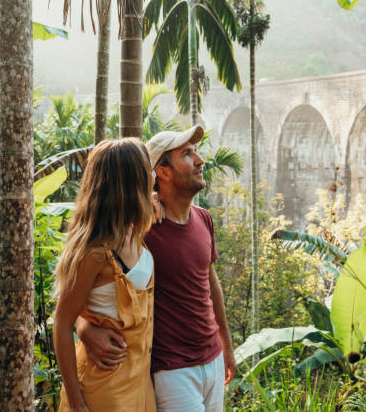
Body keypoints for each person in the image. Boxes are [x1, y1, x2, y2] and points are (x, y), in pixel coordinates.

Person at [77, 125, 236, 412]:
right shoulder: (139, 229)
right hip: (171, 369)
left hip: (212, 359)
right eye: (187, 154)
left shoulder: (204, 219)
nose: (200, 161)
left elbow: (211, 286)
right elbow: (88, 284)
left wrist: (227, 344)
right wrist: (85, 327)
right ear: (162, 172)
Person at [53, 138, 156, 412]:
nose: (154, 176)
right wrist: (76, 404)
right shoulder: (95, 254)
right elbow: (62, 323)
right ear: (133, 183)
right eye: (148, 171)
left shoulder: (134, 232)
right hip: (104, 389)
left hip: (139, 384)